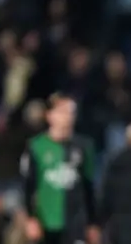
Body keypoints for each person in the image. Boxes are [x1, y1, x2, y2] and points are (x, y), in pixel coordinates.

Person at [20, 93, 100, 244]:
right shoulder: (36, 147)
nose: (68, 117)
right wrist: (30, 218)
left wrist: (93, 223)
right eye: (63, 111)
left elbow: (89, 187)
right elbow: (28, 186)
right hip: (46, 223)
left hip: (75, 222)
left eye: (71, 112)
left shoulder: (84, 147)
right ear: (50, 115)